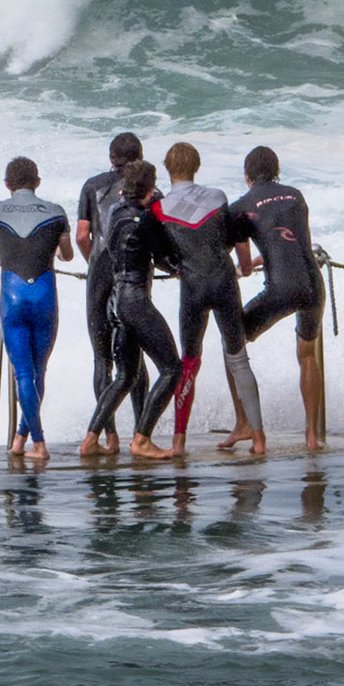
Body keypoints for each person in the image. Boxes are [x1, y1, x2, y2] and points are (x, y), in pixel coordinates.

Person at [151, 142, 260, 456]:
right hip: (225, 281)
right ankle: (258, 437)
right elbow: (226, 238)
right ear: (196, 167)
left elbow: (161, 253)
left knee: (189, 363)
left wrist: (176, 267)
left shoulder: (159, 208)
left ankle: (178, 442)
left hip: (193, 287)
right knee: (237, 356)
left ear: (168, 170)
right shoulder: (217, 197)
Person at [225, 145, 326, 454]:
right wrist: (261, 261)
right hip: (312, 284)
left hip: (280, 289)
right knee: (307, 354)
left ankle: (244, 423)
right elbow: (289, 241)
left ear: (247, 176)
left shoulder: (241, 206)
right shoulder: (295, 196)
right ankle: (311, 436)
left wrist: (245, 268)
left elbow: (242, 264)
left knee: (233, 343)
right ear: (277, 170)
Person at [80, 160, 183, 460]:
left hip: (115, 300)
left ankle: (89, 440)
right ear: (150, 189)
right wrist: (183, 268)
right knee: (171, 369)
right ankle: (142, 439)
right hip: (136, 300)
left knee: (125, 375)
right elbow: (166, 259)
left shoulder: (114, 212)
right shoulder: (148, 218)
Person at [0, 156, 73, 461]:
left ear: (7, 184)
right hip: (44, 294)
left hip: (11, 296)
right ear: (38, 182)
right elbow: (67, 254)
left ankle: (23, 439)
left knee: (23, 373)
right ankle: (35, 443)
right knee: (39, 371)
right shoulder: (56, 212)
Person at [76, 133, 150, 453]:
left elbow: (82, 235)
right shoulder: (147, 190)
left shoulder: (92, 185)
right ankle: (140, 433)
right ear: (140, 158)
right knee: (135, 360)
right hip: (132, 276)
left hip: (100, 274)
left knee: (102, 359)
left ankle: (110, 437)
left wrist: (94, 264)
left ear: (111, 158)